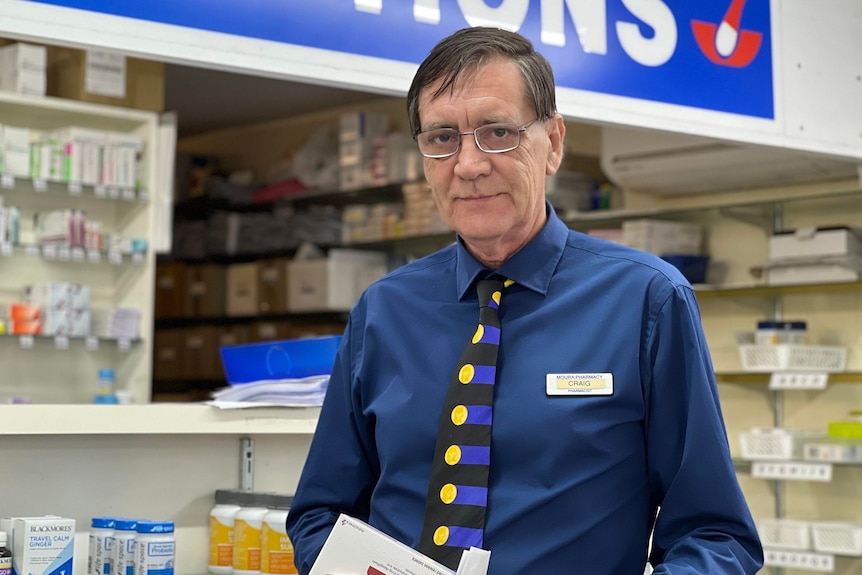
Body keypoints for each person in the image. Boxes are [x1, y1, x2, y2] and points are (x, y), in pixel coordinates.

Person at [286, 26, 763, 575]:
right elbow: (320, 514)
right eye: (442, 138)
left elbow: (715, 534)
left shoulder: (647, 301)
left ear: (553, 142)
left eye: (497, 133)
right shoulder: (384, 310)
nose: (468, 164)